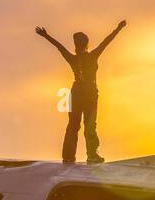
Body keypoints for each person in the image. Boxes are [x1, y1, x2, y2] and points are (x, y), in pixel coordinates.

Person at [36, 20, 126, 164]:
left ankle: (68, 157)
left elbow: (60, 47)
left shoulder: (73, 58)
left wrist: (46, 36)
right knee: (90, 124)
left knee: (72, 125)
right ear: (87, 44)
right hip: (89, 93)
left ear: (76, 46)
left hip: (75, 93)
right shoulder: (92, 56)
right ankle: (91, 155)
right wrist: (118, 28)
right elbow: (106, 41)